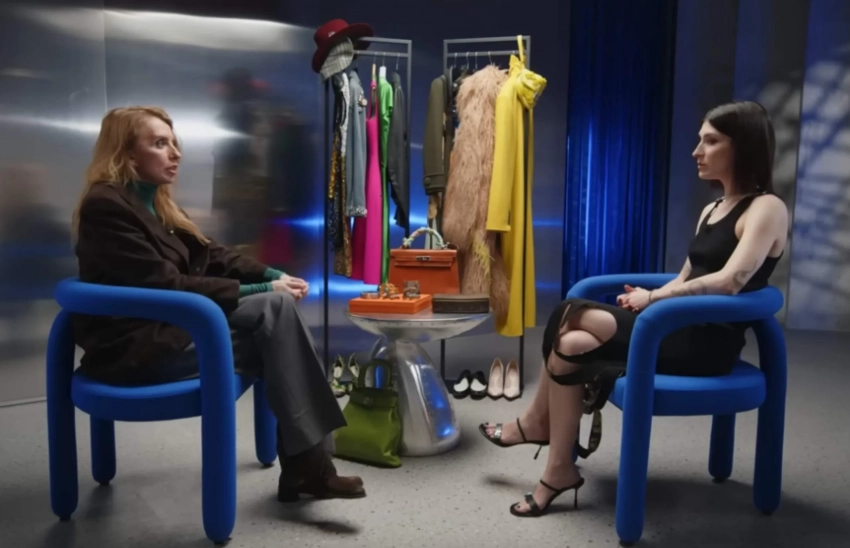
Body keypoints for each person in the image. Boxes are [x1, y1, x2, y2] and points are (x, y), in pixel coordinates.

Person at [480, 101, 788, 517]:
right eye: (699, 140)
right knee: (571, 340)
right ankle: (559, 470)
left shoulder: (767, 207)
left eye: (711, 141)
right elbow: (686, 275)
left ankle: (535, 423)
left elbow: (732, 280)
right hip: (672, 329)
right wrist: (653, 291)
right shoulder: (712, 209)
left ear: (743, 146)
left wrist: (654, 300)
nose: (697, 151)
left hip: (706, 345)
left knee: (570, 311)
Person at [71, 106, 365, 502]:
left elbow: (212, 255)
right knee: (280, 334)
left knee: (278, 316)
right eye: (159, 144)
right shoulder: (106, 206)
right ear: (126, 153)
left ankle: (309, 470)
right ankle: (309, 468)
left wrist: (271, 274)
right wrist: (262, 289)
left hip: (172, 328)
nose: (175, 153)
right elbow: (167, 284)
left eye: (174, 143)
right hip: (139, 349)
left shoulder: (156, 202)